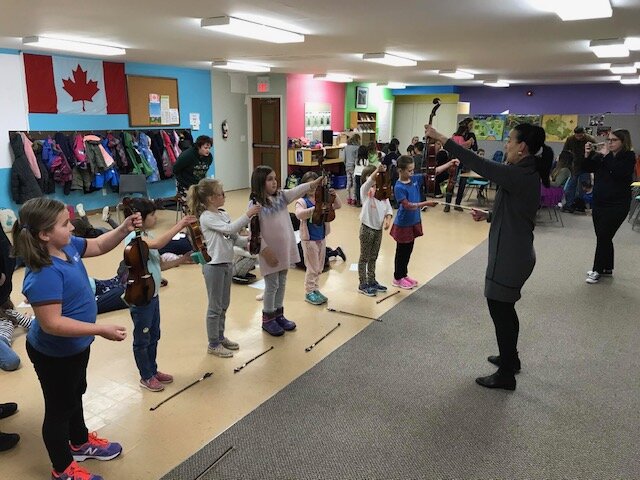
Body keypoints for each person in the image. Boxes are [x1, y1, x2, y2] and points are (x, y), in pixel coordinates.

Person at [13, 197, 139, 479]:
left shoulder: (66, 246)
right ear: (44, 234)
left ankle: (80, 442)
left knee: (75, 395)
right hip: (54, 353)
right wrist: (99, 329)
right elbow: (52, 324)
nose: (72, 227)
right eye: (65, 223)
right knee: (59, 410)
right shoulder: (43, 273)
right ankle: (62, 469)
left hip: (75, 347)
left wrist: (123, 229)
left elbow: (97, 245)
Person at [426, 122, 553, 391]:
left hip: (510, 256)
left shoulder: (519, 174)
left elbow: (481, 164)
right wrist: (490, 215)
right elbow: (518, 213)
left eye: (510, 140)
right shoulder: (524, 172)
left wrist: (442, 138)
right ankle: (511, 358)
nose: (506, 144)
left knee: (501, 312)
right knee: (505, 310)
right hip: (516, 252)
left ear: (523, 147)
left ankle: (506, 374)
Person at [122, 198, 196, 392]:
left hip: (152, 293)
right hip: (140, 295)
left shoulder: (147, 234)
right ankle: (145, 376)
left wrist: (181, 260)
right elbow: (156, 244)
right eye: (153, 215)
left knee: (154, 334)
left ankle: (153, 370)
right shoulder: (135, 239)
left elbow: (160, 264)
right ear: (140, 218)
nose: (156, 218)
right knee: (142, 338)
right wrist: (179, 225)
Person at [186, 178, 261, 357]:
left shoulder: (222, 214)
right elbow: (229, 229)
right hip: (213, 266)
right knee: (215, 306)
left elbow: (234, 238)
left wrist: (250, 240)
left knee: (224, 304)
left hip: (226, 263)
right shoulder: (206, 217)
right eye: (221, 194)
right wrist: (248, 214)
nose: (224, 196)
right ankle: (213, 344)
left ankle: (220, 337)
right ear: (211, 198)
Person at [250, 165, 323, 336]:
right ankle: (267, 319)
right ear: (260, 182)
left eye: (275, 178)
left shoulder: (281, 197)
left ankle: (278, 314)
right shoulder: (256, 205)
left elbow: (297, 190)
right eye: (269, 179)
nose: (274, 182)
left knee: (282, 281)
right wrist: (265, 251)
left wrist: (314, 184)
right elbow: (254, 233)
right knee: (272, 284)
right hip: (269, 253)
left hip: (283, 250)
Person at [391, 154, 459, 289]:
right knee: (401, 252)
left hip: (413, 222)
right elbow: (407, 205)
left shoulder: (415, 179)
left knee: (408, 250)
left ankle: (404, 274)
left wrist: (450, 163)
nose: (412, 173)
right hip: (403, 224)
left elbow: (434, 172)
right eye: (409, 170)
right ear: (400, 170)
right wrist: (426, 203)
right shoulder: (398, 187)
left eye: (413, 170)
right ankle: (397, 277)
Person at [583, 129, 636, 284]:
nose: (610, 143)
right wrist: (588, 154)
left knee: (604, 236)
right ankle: (607, 267)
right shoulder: (603, 155)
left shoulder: (628, 157)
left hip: (617, 204)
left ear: (623, 142)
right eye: (609, 140)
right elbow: (587, 168)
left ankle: (597, 270)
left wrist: (605, 156)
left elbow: (618, 172)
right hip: (600, 202)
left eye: (614, 140)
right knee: (604, 236)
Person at [295, 172, 342, 305]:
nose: (314, 189)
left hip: (321, 237)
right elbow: (299, 215)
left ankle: (315, 289)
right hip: (309, 240)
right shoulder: (302, 201)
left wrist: (334, 195)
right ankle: (309, 291)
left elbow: (338, 206)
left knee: (320, 266)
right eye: (311, 185)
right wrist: (314, 210)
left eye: (316, 185)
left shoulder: (322, 199)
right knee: (312, 267)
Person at [358, 164, 393, 296]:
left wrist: (388, 219)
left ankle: (372, 280)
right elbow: (369, 182)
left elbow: (388, 209)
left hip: (378, 230)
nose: (374, 185)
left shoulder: (383, 195)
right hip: (367, 229)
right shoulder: (365, 193)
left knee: (374, 256)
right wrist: (378, 171)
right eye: (373, 182)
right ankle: (362, 283)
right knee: (364, 257)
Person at [173, 135, 213, 213]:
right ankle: (192, 222)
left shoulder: (209, 157)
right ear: (198, 147)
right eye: (205, 148)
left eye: (209, 148)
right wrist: (183, 183)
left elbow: (204, 172)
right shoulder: (187, 155)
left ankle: (205, 221)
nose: (208, 150)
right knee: (191, 206)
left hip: (198, 185)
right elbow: (175, 169)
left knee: (208, 202)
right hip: (185, 186)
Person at [562, 126, 597, 213]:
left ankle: (582, 205)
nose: (579, 137)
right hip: (575, 165)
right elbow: (565, 151)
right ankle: (569, 205)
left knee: (584, 187)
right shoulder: (570, 139)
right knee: (571, 186)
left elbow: (596, 151)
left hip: (586, 165)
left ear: (584, 133)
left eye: (581, 136)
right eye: (577, 135)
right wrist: (566, 163)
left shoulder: (590, 139)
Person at [0, 302, 33, 371]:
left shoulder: (10, 313)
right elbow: (30, 324)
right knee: (12, 361)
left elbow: (30, 324)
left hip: (2, 341)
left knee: (12, 362)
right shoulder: (10, 313)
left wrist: (25, 318)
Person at [344, 134, 361, 206]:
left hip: (347, 166)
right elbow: (357, 159)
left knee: (348, 182)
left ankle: (348, 198)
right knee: (354, 183)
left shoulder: (346, 147)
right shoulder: (357, 148)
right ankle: (354, 199)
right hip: (354, 167)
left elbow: (344, 159)